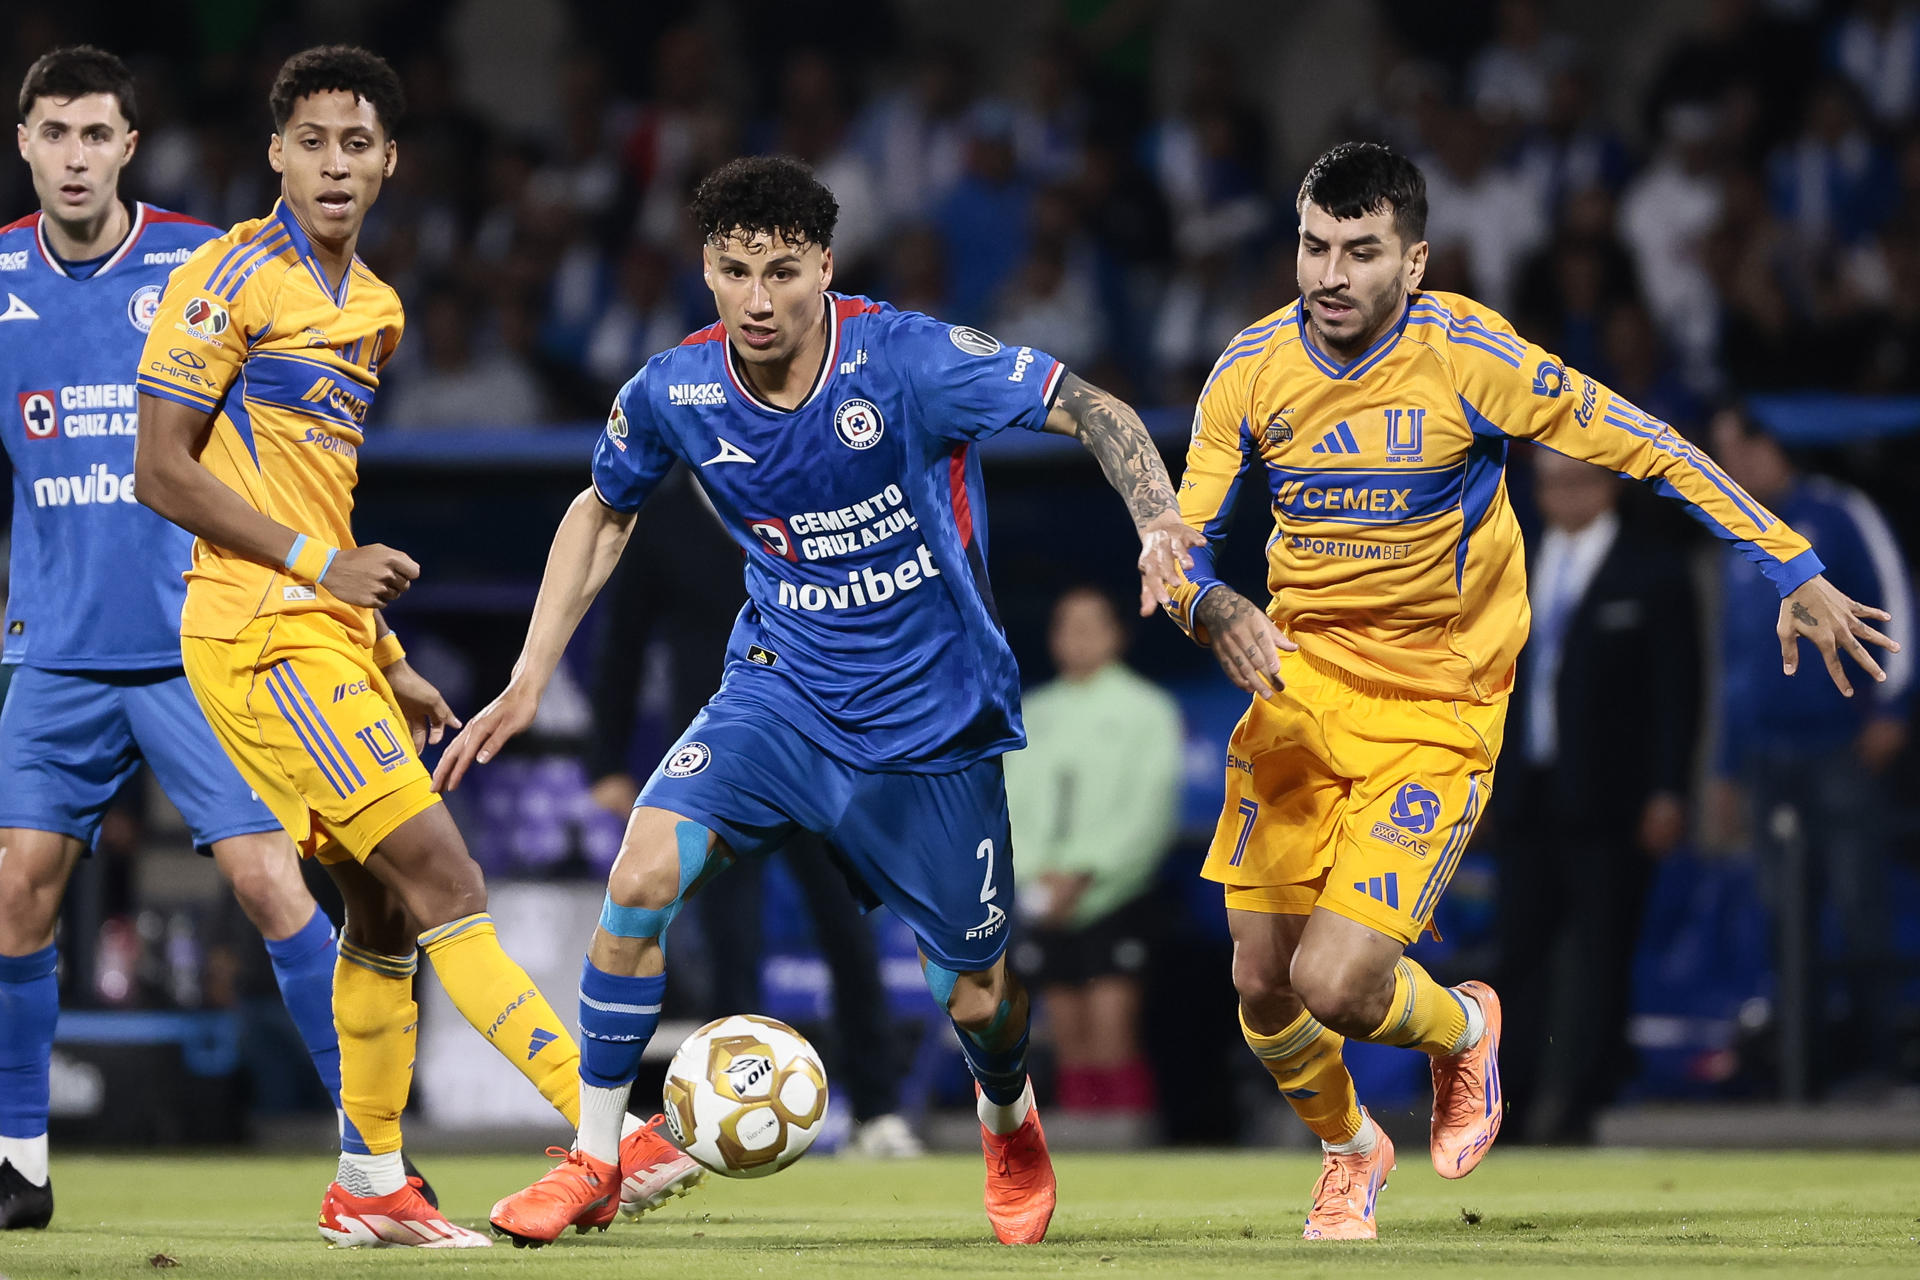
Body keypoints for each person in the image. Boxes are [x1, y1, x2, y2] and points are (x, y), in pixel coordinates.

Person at [433, 155, 1201, 1247]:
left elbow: (1088, 404)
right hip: (779, 696)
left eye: (783, 271)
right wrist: (528, 674)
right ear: (706, 267)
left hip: (930, 724)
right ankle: (597, 1159)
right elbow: (603, 510)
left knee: (977, 994)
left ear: (825, 267)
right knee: (639, 875)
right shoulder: (675, 390)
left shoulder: (908, 360)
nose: (757, 297)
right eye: (735, 269)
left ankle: (1009, 1117)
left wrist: (1160, 520)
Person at [1166, 141, 1896, 1241]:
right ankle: (1352, 1148)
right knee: (1261, 981)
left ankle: (1462, 1028)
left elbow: (1647, 444)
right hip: (1300, 696)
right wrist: (1200, 600)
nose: (1330, 275)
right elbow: (1185, 545)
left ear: (1414, 263)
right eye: (1315, 246)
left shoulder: (1470, 356)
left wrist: (1789, 562)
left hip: (1434, 712)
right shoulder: (1250, 368)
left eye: (1361, 252)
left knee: (1337, 982)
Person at [129, 46, 699, 1248]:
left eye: (359, 144)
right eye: (313, 141)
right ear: (276, 152)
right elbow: (161, 468)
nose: (336, 164)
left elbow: (315, 496)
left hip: (327, 636)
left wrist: (379, 648)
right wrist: (317, 572)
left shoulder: (374, 308)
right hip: (254, 634)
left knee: (383, 912)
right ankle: (608, 1129)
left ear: (390, 162)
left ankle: (370, 1177)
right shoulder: (224, 275)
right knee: (447, 877)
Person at [0, 45, 399, 1233]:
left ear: (131, 146)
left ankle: (373, 1162)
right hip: (58, 647)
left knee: (275, 885)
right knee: (16, 895)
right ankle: (20, 1159)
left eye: (96, 135)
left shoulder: (205, 261)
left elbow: (285, 441)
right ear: (26, 144)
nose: (75, 156)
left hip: (197, 641)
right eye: (54, 134)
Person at [583, 466, 922, 1157]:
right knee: (730, 938)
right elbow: (622, 643)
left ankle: (879, 1112)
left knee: (848, 928)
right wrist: (608, 763)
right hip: (716, 770)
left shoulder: (809, 492)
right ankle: (733, 1111)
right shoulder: (664, 517)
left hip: (818, 746)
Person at [1708, 404, 1914, 1094]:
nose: (1730, 466)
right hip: (1768, 756)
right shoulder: (1737, 538)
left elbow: (1897, 602)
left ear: (1772, 447)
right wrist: (1727, 767)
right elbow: (1736, 665)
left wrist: (1894, 708)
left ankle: (1879, 1061)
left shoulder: (1836, 511)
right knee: (1780, 915)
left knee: (1860, 904)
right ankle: (1804, 1070)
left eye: (1738, 449)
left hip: (1839, 744)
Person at [1498, 451, 1702, 1143]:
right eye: (1549, 482)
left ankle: (1586, 1103)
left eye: (1576, 480)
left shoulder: (1653, 570)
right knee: (1517, 951)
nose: (1562, 495)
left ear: (1608, 483)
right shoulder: (1511, 561)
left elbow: (1678, 694)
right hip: (1527, 790)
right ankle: (1511, 1104)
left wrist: (1669, 790)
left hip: (1613, 796)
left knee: (1604, 950)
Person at [1006, 587, 1182, 1119]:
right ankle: (1085, 1146)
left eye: (1091, 625)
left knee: (1112, 1029)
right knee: (1065, 1032)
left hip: (1115, 895)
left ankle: (1129, 1140)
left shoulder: (1147, 710)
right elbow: (1009, 804)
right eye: (1066, 625)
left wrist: (1086, 871)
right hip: (1041, 894)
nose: (1077, 638)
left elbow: (1148, 810)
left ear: (1117, 635)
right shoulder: (1032, 712)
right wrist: (1037, 875)